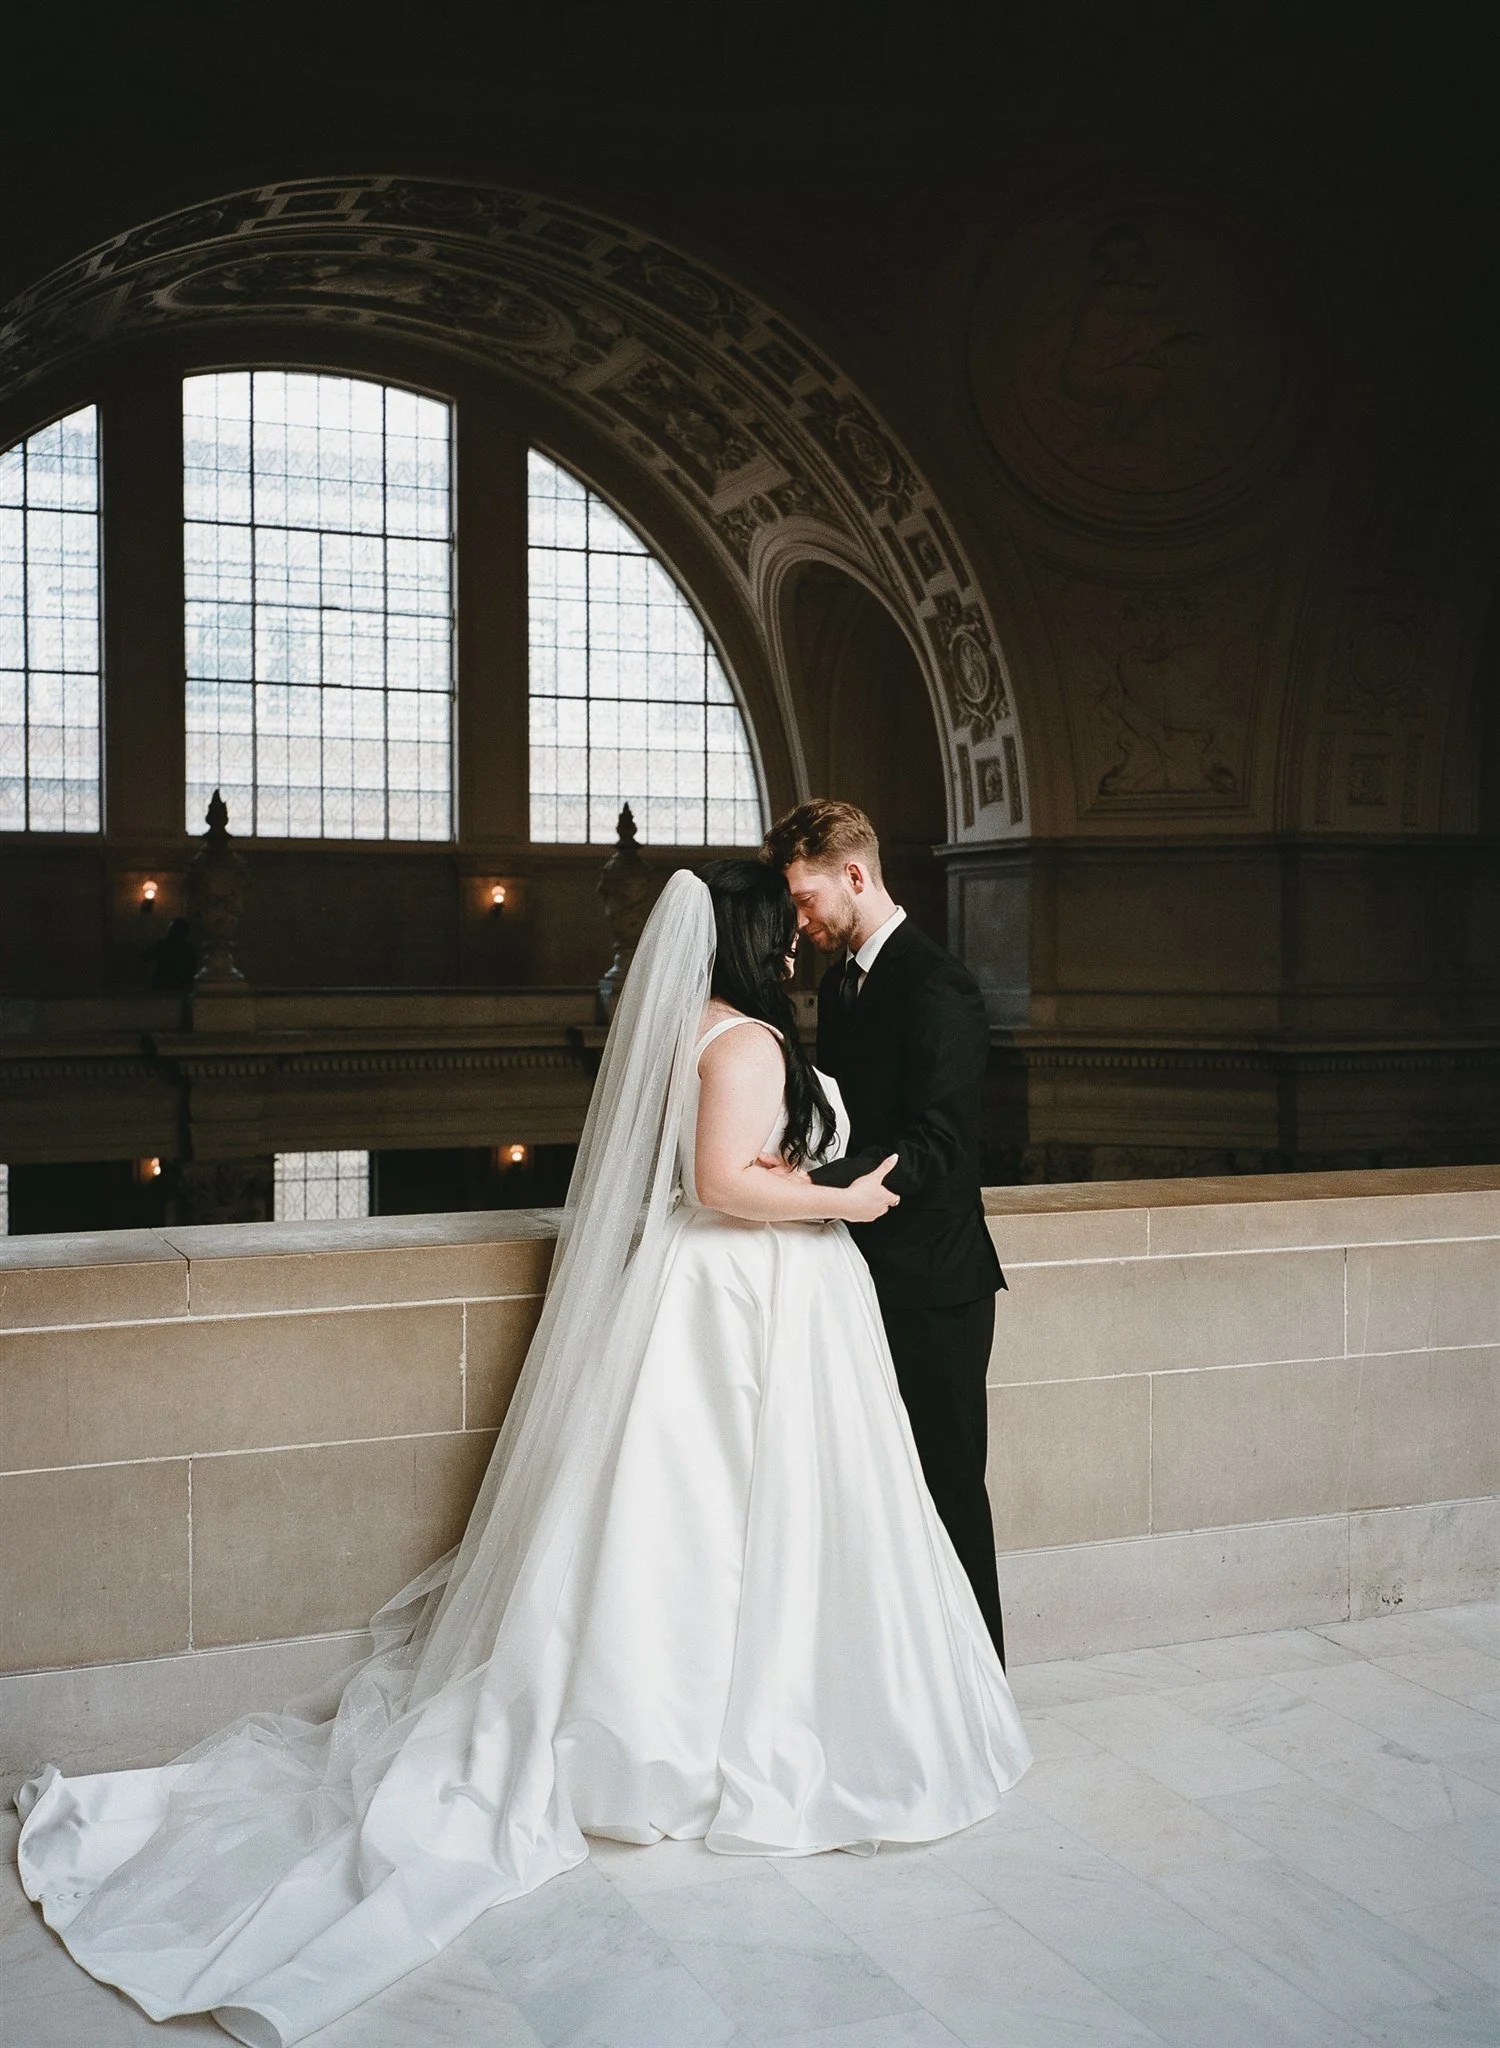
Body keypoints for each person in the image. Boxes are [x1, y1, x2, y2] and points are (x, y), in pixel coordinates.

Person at [16, 861, 1029, 2047]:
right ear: (760, 946)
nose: (801, 948)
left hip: (716, 1295)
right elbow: (721, 1181)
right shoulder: (746, 1039)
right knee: (730, 1511)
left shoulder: (698, 1028)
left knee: (689, 1513)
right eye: (788, 935)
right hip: (748, 1295)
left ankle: (685, 1711)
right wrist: (843, 1206)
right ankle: (710, 1731)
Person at [763, 800, 1009, 1661]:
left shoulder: (938, 984)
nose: (800, 919)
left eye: (803, 899)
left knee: (946, 1493)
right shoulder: (840, 983)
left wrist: (809, 1188)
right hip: (857, 1273)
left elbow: (938, 1147)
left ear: (854, 876)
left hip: (936, 1285)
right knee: (873, 1500)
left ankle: (983, 1687)